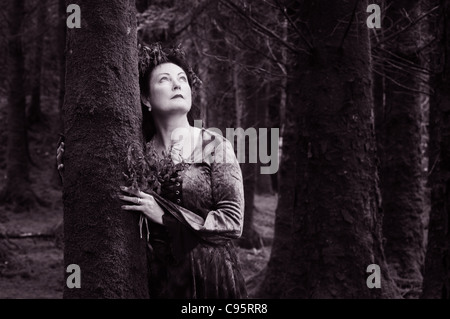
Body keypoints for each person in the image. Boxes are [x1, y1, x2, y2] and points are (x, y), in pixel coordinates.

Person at [57, 42, 248, 299]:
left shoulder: (215, 145)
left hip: (210, 277)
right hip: (159, 278)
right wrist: (72, 168)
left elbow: (232, 223)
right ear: (146, 98)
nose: (177, 85)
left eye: (182, 79)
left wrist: (166, 217)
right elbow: (108, 202)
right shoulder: (138, 154)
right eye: (165, 80)